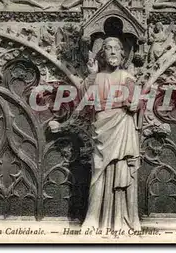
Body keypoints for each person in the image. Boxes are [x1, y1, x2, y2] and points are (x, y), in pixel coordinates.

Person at [51, 37, 142, 232]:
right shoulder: (96, 78)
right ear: (102, 55)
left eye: (116, 48)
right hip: (102, 131)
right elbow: (83, 104)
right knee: (98, 174)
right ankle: (93, 220)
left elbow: (136, 103)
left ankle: (123, 221)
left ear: (122, 54)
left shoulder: (128, 77)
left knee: (123, 171)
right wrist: (91, 75)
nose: (112, 52)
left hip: (123, 129)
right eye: (108, 49)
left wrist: (134, 103)